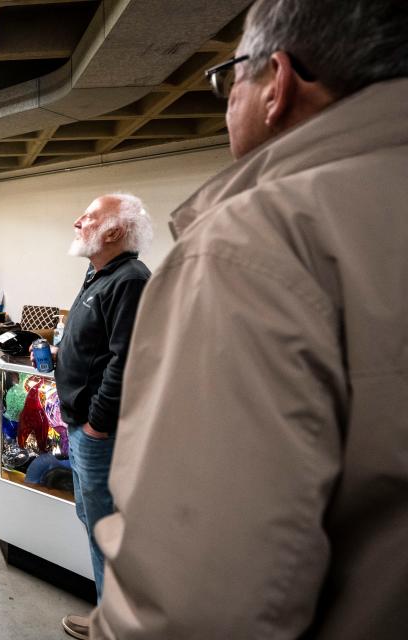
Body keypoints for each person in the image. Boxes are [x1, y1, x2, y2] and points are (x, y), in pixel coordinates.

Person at [80, 0, 408, 638]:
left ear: (276, 84)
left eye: (230, 79)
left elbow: (194, 604)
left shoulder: (251, 246)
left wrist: (94, 424)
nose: (225, 101)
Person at [48, 195, 152, 638]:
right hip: (83, 426)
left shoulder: (129, 279)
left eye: (88, 217)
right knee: (92, 523)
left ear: (112, 232)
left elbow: (124, 361)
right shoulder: (99, 273)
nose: (77, 221)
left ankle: (116, 626)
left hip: (99, 433)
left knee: (106, 530)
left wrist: (96, 424)